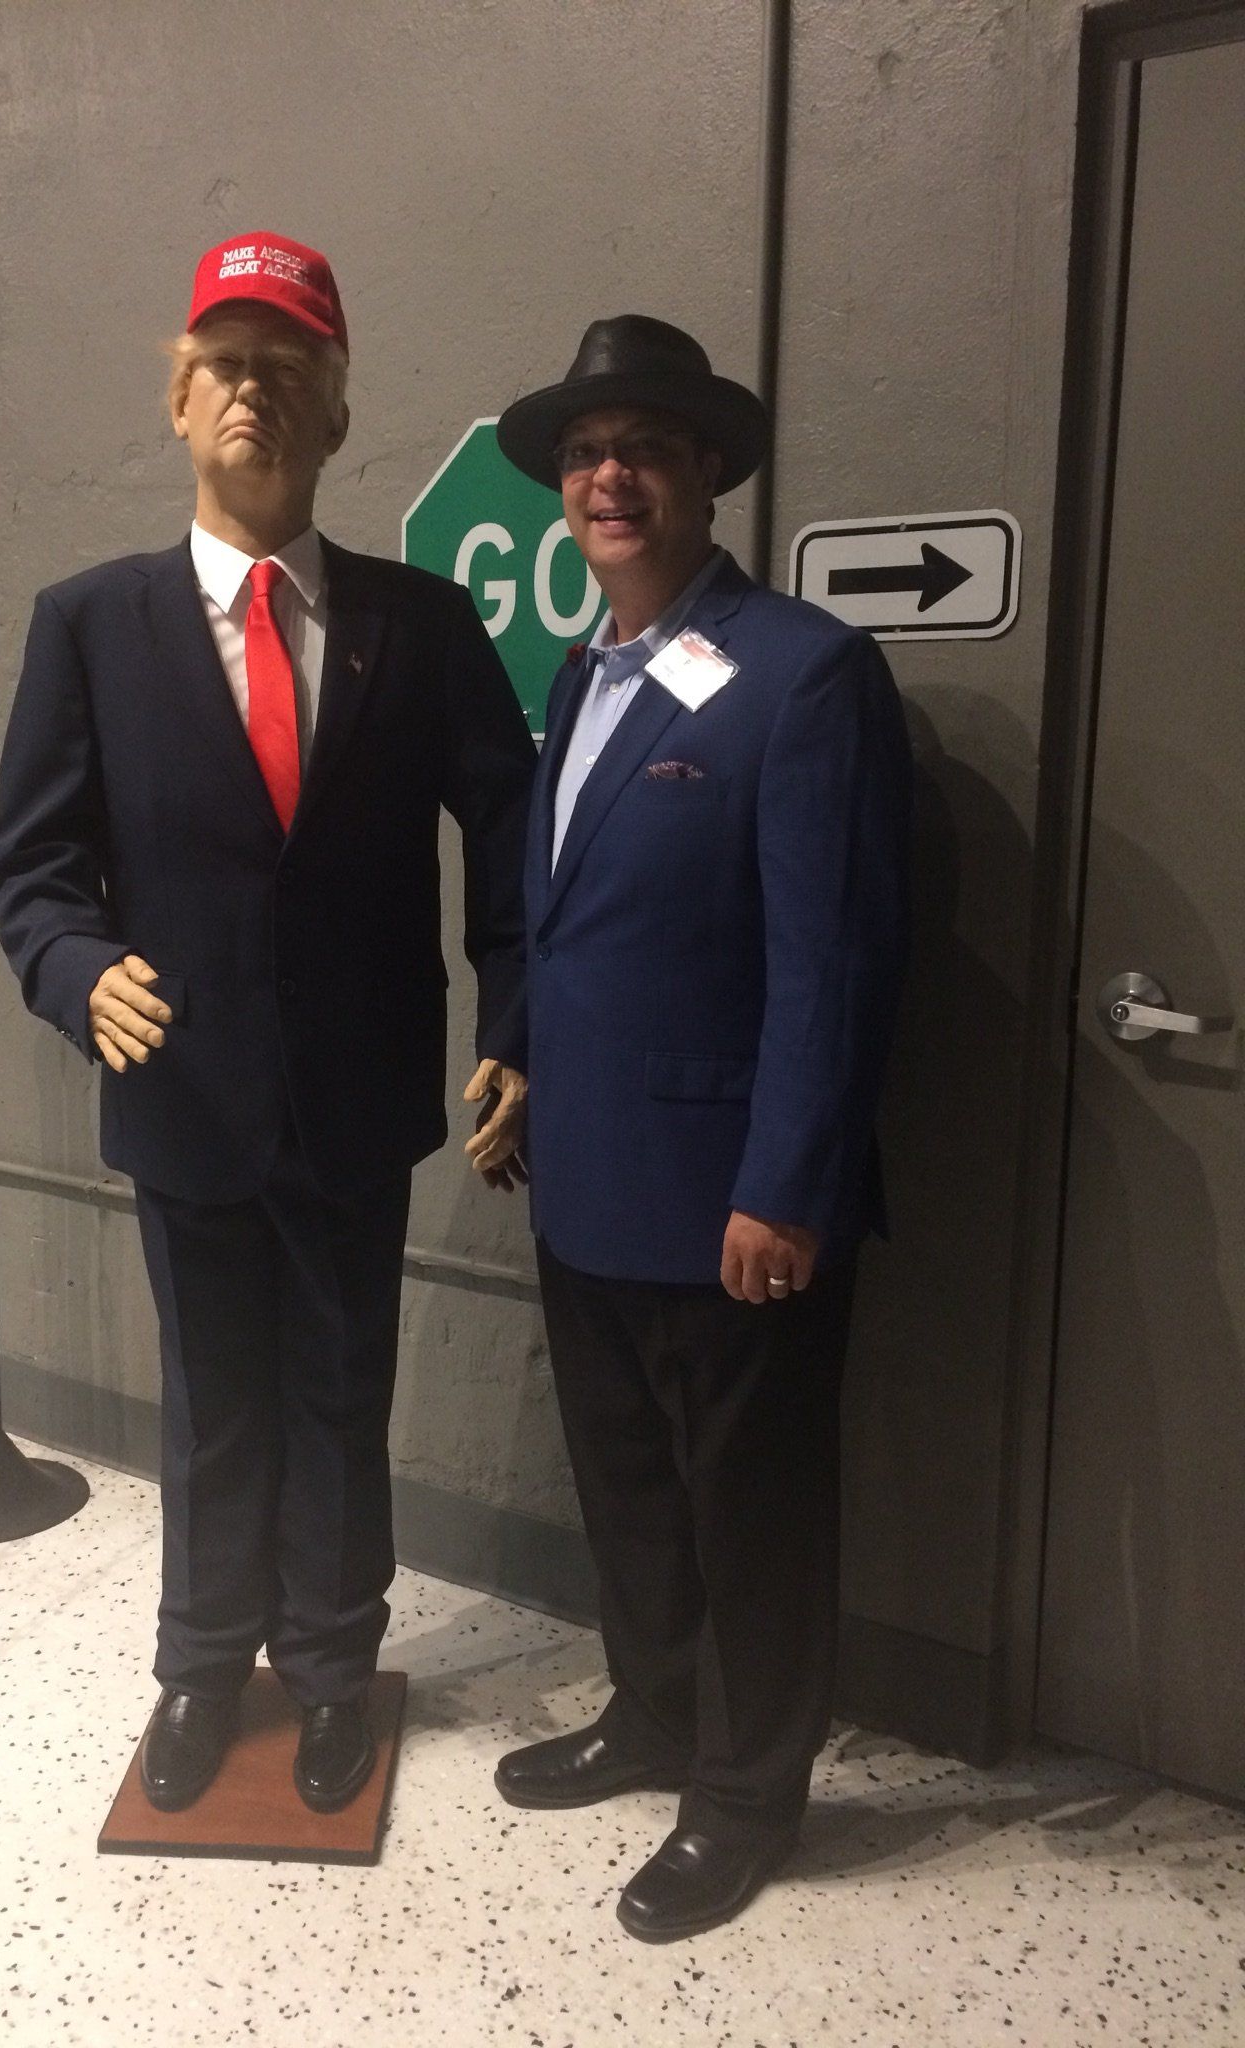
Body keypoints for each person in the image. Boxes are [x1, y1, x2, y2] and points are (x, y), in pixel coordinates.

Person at [0, 234, 534, 1816]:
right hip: (185, 1091)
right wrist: (73, 965)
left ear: (335, 417)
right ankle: (200, 1663)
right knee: (215, 1397)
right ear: (178, 401)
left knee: (339, 1391)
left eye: (290, 368)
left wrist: (520, 1014)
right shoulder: (91, 626)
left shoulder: (422, 630)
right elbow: (31, 867)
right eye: (227, 364)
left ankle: (333, 1656)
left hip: (358, 1095)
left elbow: (506, 831)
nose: (256, 391)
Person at [487, 315, 911, 1939]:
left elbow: (837, 961)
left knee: (751, 1513)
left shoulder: (805, 676)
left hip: (736, 1202)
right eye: (587, 455)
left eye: (645, 449)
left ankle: (743, 1798)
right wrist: (521, 1059)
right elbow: (567, 917)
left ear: (708, 475)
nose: (609, 477)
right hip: (585, 1181)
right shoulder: (586, 671)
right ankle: (655, 1717)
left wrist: (788, 1187)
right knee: (633, 1491)